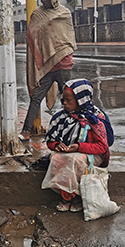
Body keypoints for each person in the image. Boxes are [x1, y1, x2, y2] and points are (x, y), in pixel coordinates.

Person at [41, 79, 111, 213]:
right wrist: (56, 145)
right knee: (56, 158)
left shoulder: (95, 118)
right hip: (69, 153)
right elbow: (50, 140)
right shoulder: (60, 117)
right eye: (63, 100)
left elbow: (102, 147)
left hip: (92, 155)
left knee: (75, 160)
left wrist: (79, 147)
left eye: (68, 100)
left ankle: (78, 196)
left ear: (81, 100)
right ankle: (67, 196)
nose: (65, 104)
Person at [21, 0, 77, 140]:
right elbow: (32, 33)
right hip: (46, 66)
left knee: (68, 98)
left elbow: (67, 36)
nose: (43, 0)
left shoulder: (64, 13)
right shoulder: (38, 13)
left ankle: (72, 129)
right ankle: (26, 131)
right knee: (36, 97)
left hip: (63, 63)